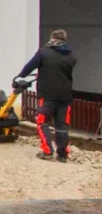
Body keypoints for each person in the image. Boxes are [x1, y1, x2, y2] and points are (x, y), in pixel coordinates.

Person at [15, 29, 77, 162]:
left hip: (47, 96)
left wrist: (20, 77)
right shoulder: (71, 55)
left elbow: (29, 67)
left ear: (52, 38)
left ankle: (47, 151)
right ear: (64, 40)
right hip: (65, 97)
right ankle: (62, 155)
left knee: (42, 122)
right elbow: (59, 70)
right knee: (62, 126)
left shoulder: (43, 52)